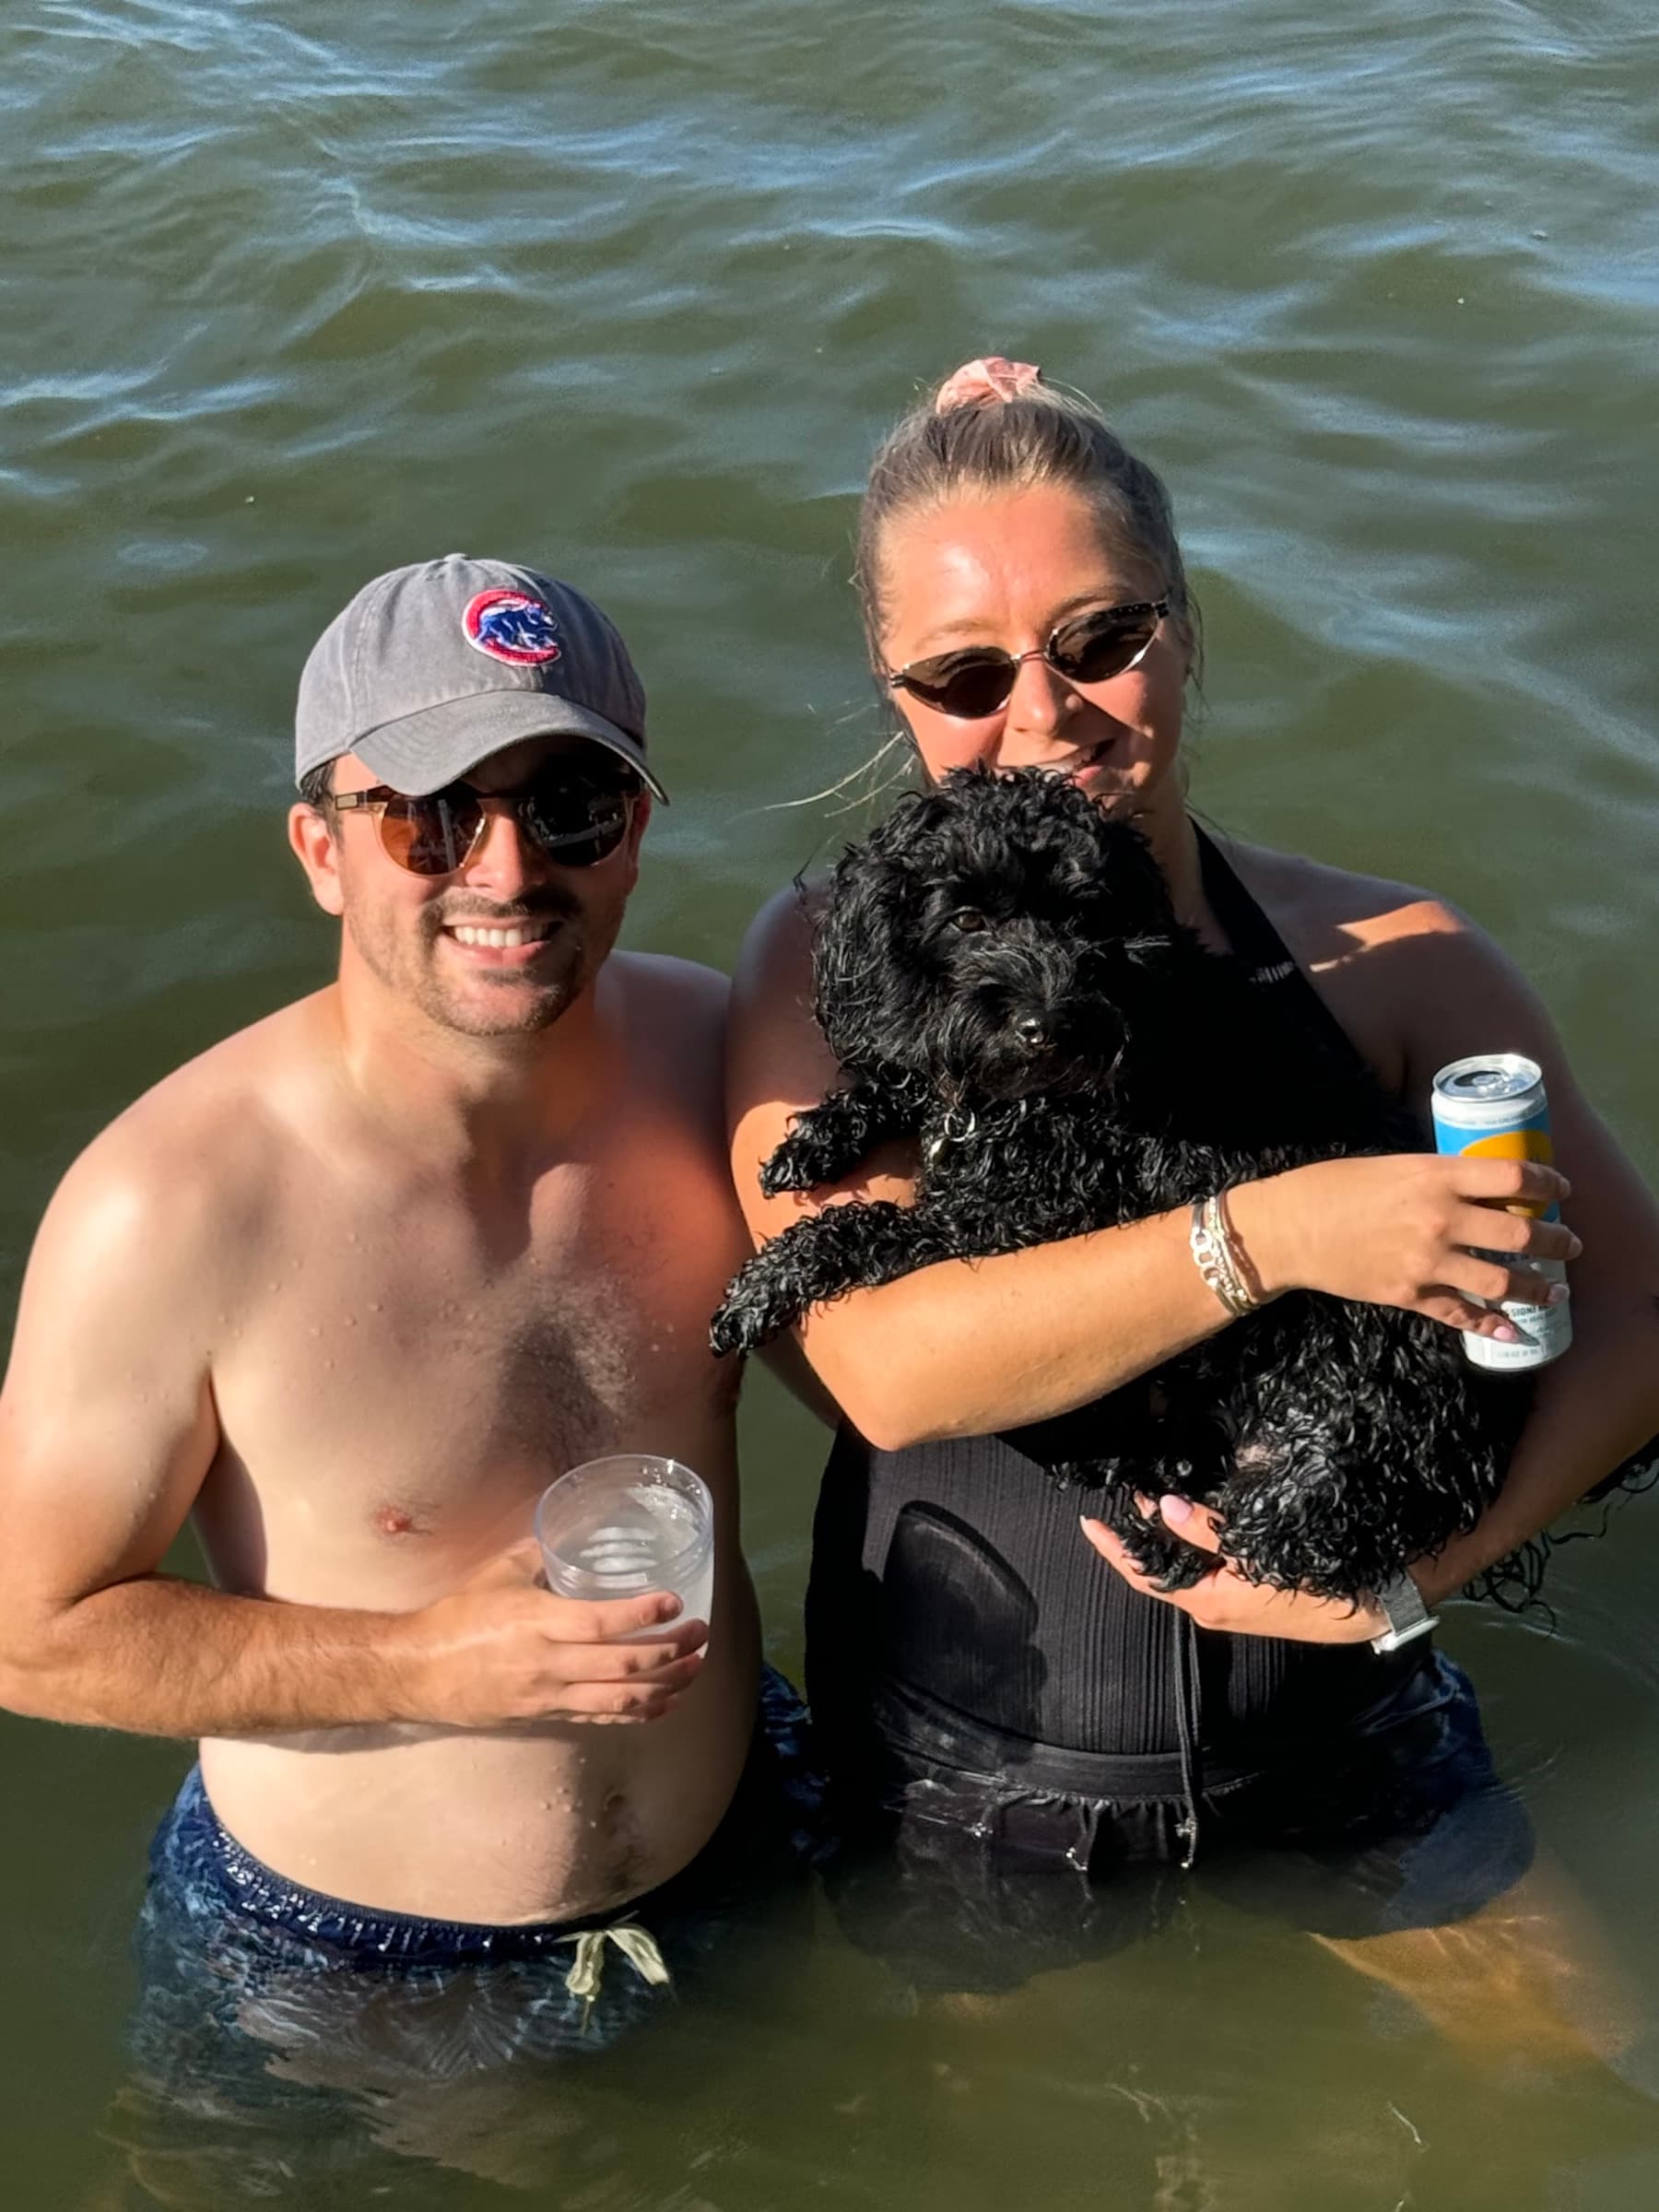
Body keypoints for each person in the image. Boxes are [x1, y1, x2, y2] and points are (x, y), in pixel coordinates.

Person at [726, 359, 1659, 2053]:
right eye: (962, 672)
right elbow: (881, 1365)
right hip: (967, 1778)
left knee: (1577, 2079)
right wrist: (1286, 1232)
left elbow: (1645, 1318)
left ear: (1186, 623)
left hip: (1348, 1732)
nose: (1044, 713)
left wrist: (1416, 1573)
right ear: (894, 691)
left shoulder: (1398, 965)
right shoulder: (828, 972)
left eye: (1100, 638)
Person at [0, 555, 818, 2101]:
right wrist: (427, 1663)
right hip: (343, 1967)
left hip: (740, 1855)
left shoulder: (727, 1067)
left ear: (635, 831)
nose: (506, 871)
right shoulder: (174, 1205)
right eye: (427, 818)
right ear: (322, 848)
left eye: (566, 806)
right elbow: (30, 1636)